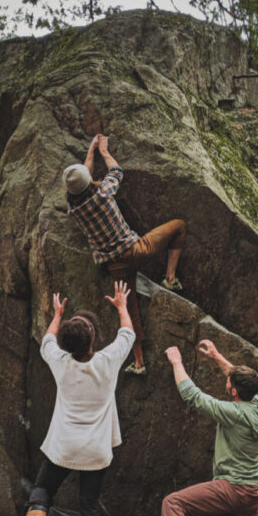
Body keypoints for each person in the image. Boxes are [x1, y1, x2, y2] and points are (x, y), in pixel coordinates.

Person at [62, 133, 185, 376]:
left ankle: (139, 362)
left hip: (113, 265)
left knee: (128, 310)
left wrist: (90, 152)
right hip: (135, 251)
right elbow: (116, 171)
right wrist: (104, 152)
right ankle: (170, 278)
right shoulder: (104, 193)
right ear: (88, 182)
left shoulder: (74, 209)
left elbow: (83, 182)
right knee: (179, 226)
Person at [23, 281, 135, 516]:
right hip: (96, 450)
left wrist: (57, 314)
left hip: (63, 446)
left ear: (66, 345)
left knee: (43, 487)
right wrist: (122, 306)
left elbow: (47, 341)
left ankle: (37, 513)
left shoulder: (60, 363)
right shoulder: (107, 362)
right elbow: (128, 333)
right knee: (88, 504)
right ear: (93, 338)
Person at [161, 339, 258, 516]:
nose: (227, 379)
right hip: (253, 493)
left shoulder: (234, 412)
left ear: (233, 391)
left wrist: (176, 362)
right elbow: (240, 380)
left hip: (232, 488)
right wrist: (217, 355)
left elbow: (193, 396)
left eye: (229, 381)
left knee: (174, 503)